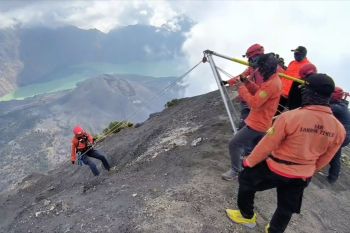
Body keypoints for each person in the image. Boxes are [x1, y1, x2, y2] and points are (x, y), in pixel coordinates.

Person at [225, 73, 345, 233]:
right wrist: (310, 170)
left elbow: (267, 145)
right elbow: (326, 158)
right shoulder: (339, 129)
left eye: (304, 89)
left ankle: (247, 217)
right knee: (286, 207)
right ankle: (274, 230)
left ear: (311, 92)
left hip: (275, 167)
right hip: (302, 175)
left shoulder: (290, 117)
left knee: (246, 181)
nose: (302, 92)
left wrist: (249, 161)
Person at [221, 53, 282, 181]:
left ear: (266, 68)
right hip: (262, 122)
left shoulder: (272, 84)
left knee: (234, 144)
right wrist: (248, 83)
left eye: (261, 69)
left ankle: (235, 171)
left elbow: (255, 102)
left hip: (258, 124)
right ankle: (254, 171)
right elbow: (261, 93)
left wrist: (242, 88)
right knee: (257, 150)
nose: (259, 72)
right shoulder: (272, 80)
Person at [327, 87, 350, 183]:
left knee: (333, 153)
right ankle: (333, 176)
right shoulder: (341, 106)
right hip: (344, 135)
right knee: (335, 153)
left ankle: (332, 177)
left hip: (343, 135)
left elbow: (323, 108)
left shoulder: (337, 107)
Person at [279, 46, 312, 112]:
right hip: (280, 93)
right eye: (294, 54)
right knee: (274, 113)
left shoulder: (308, 66)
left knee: (286, 117)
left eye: (297, 54)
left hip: (292, 97)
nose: (295, 55)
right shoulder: (292, 63)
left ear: (303, 54)